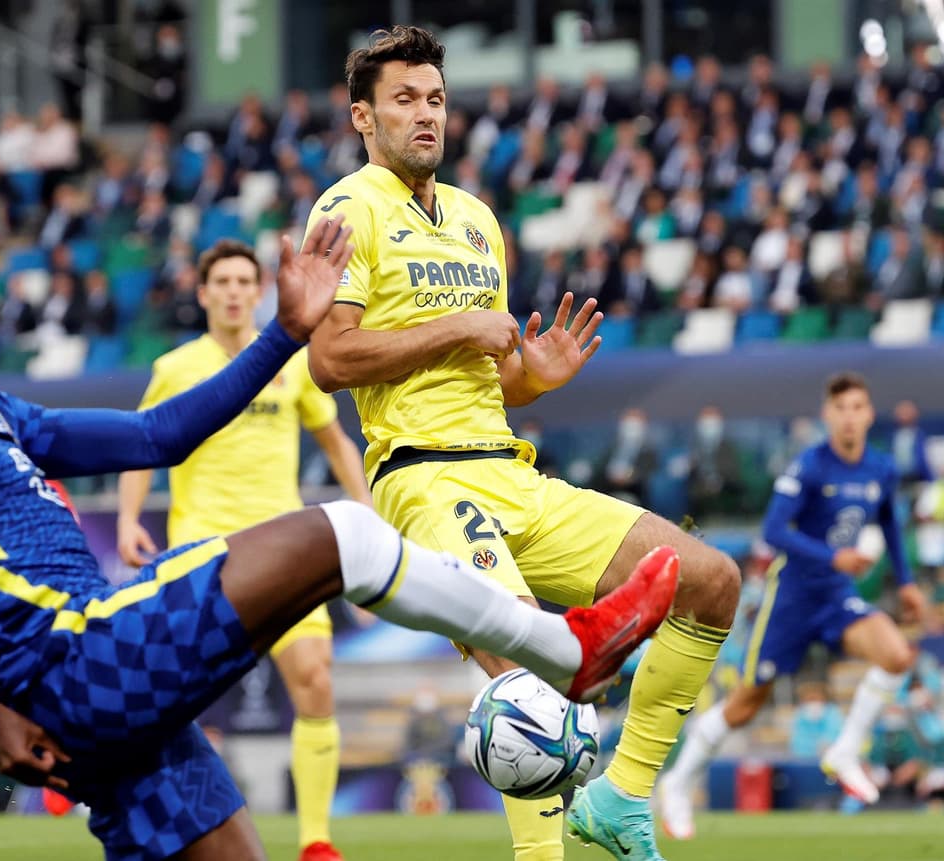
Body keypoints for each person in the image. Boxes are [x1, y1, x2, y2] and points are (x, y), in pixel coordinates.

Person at [0, 192, 678, 861]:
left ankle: (565, 649)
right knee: (341, 532)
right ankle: (566, 650)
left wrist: (284, 335)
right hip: (69, 658)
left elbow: (156, 435)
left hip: (104, 701)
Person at [304, 27, 741, 861]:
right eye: (404, 100)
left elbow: (485, 377)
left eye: (435, 98)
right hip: (424, 479)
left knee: (711, 582)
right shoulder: (345, 209)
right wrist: (459, 323)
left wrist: (533, 380)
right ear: (363, 116)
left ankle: (622, 796)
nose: (426, 115)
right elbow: (330, 358)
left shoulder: (476, 220)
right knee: (531, 662)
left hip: (510, 470)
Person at [117, 239, 371, 861]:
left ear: (259, 292)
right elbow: (142, 445)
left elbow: (335, 440)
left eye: (243, 281)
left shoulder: (289, 362)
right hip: (204, 551)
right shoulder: (176, 368)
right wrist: (126, 520)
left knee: (315, 679)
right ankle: (166, 828)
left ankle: (316, 842)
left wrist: (365, 507)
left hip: (285, 548)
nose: (233, 291)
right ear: (203, 294)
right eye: (221, 281)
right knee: (173, 702)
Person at [658, 372, 934, 839]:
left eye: (858, 408)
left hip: (836, 597)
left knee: (897, 655)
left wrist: (906, 583)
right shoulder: (809, 466)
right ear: (828, 415)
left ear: (869, 414)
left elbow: (889, 522)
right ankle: (678, 783)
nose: (849, 417)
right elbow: (774, 531)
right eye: (840, 408)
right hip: (792, 598)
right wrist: (834, 556)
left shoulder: (881, 469)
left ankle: (845, 750)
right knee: (746, 703)